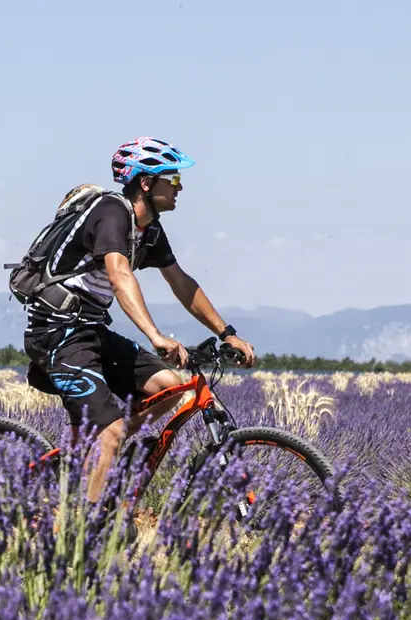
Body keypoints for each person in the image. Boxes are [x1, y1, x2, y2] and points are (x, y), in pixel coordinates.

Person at [22, 137, 257, 501]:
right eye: (173, 180)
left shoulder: (149, 230)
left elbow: (181, 283)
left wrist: (227, 333)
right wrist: (155, 335)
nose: (180, 187)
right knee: (112, 431)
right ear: (146, 183)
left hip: (91, 331)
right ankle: (83, 529)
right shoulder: (110, 213)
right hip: (57, 333)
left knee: (167, 385)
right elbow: (120, 275)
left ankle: (99, 455)